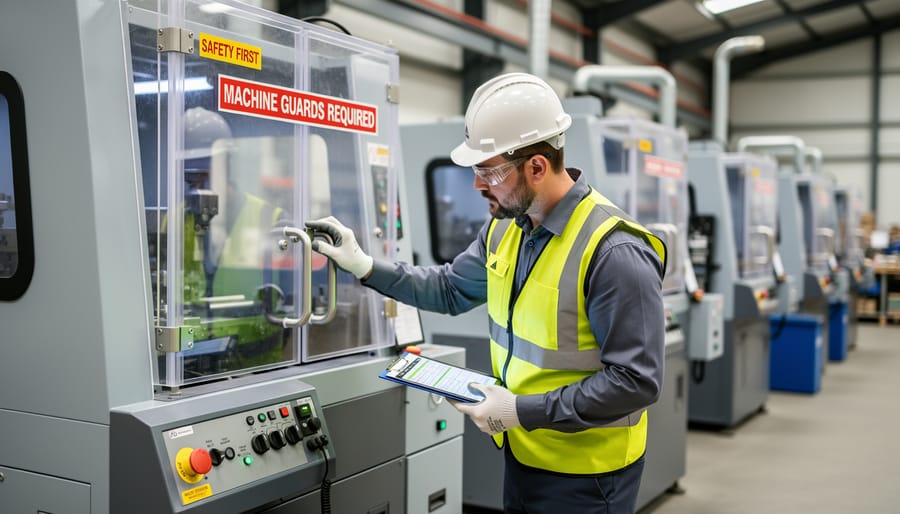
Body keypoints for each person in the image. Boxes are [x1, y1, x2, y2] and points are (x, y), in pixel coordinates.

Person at [306, 72, 667, 514]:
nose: (478, 185)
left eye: (489, 171)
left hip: (589, 475)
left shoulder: (614, 251)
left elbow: (635, 381)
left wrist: (520, 410)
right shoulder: (505, 229)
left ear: (536, 166)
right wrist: (363, 265)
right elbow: (449, 289)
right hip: (524, 455)